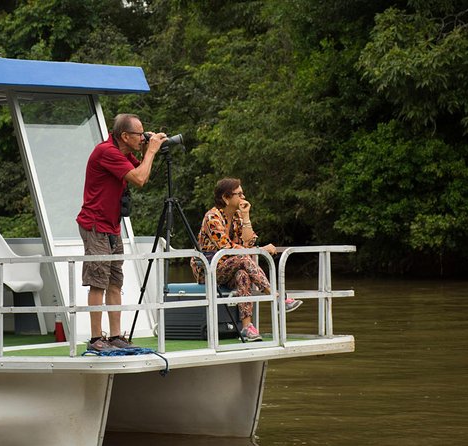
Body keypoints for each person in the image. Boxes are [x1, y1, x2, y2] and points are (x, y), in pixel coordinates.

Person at [77, 113, 166, 352]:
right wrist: (151, 152)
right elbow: (138, 179)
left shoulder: (123, 153)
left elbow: (144, 176)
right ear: (124, 136)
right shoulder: (107, 152)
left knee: (115, 282)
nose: (143, 137)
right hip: (95, 225)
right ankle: (96, 339)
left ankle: (115, 335)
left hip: (112, 226)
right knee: (98, 282)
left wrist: (149, 149)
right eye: (139, 134)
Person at [190, 177, 303, 342]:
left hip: (232, 266)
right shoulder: (211, 218)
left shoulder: (236, 216)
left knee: (242, 274)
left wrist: (246, 216)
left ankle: (247, 328)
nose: (243, 197)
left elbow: (248, 242)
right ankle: (277, 297)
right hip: (208, 269)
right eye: (239, 194)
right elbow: (227, 248)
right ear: (226, 198)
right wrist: (260, 250)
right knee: (243, 258)